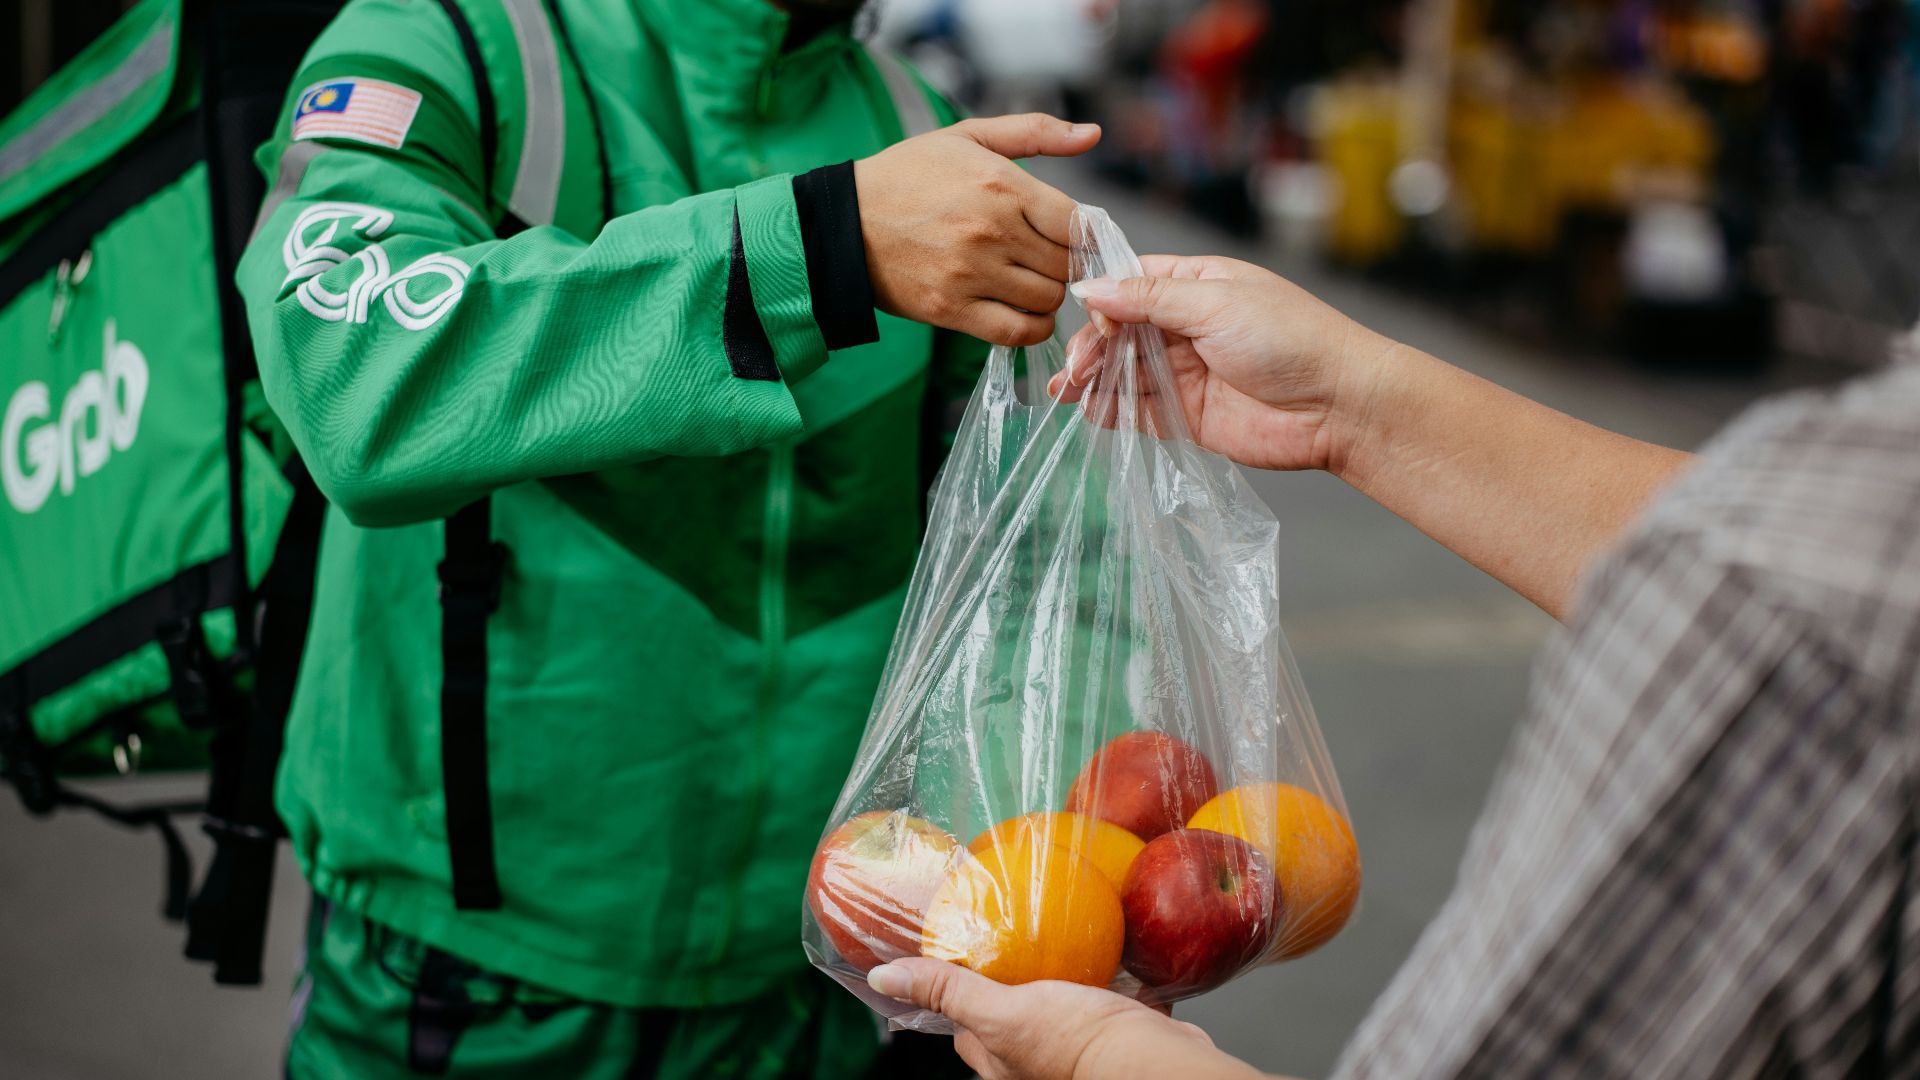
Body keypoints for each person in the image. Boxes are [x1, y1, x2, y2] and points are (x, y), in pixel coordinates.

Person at [235, 0, 1100, 1075]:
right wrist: (822, 247)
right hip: (465, 984)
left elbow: (1039, 563)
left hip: (820, 988)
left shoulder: (913, 119)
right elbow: (349, 379)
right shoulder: (441, 38)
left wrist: (1070, 859)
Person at [865, 254, 1920, 1078]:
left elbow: (1784, 567)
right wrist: (1345, 406)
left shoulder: (1815, 597)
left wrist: (1105, 1060)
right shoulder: (1835, 546)